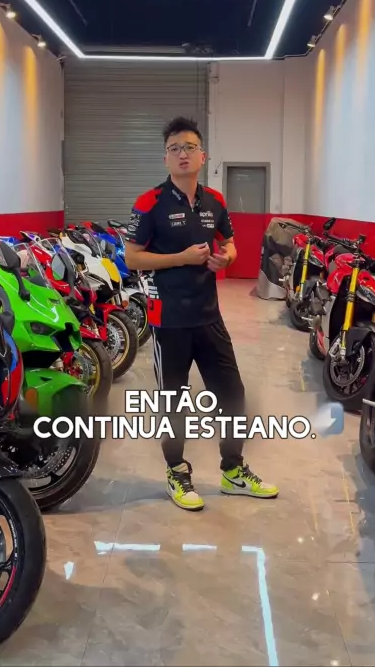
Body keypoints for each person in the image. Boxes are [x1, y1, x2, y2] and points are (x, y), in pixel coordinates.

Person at [125, 116, 279, 511]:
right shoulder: (149, 203)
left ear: (202, 156)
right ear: (165, 158)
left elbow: (231, 245)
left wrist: (226, 257)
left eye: (189, 147)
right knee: (173, 402)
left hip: (209, 317)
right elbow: (133, 258)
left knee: (233, 394)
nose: (183, 154)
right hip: (168, 321)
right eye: (174, 148)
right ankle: (176, 471)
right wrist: (181, 257)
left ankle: (233, 470)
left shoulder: (215, 202)